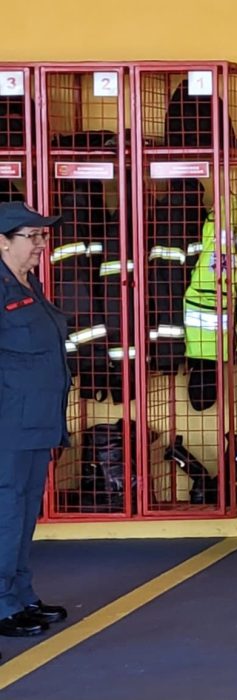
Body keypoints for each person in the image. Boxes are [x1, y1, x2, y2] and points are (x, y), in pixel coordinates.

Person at [0, 201, 72, 643]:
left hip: (36, 421)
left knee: (25, 513)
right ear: (3, 242)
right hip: (9, 425)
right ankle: (3, 604)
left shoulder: (30, 283)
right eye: (32, 237)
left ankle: (21, 594)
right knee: (7, 512)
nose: (41, 245)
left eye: (43, 236)